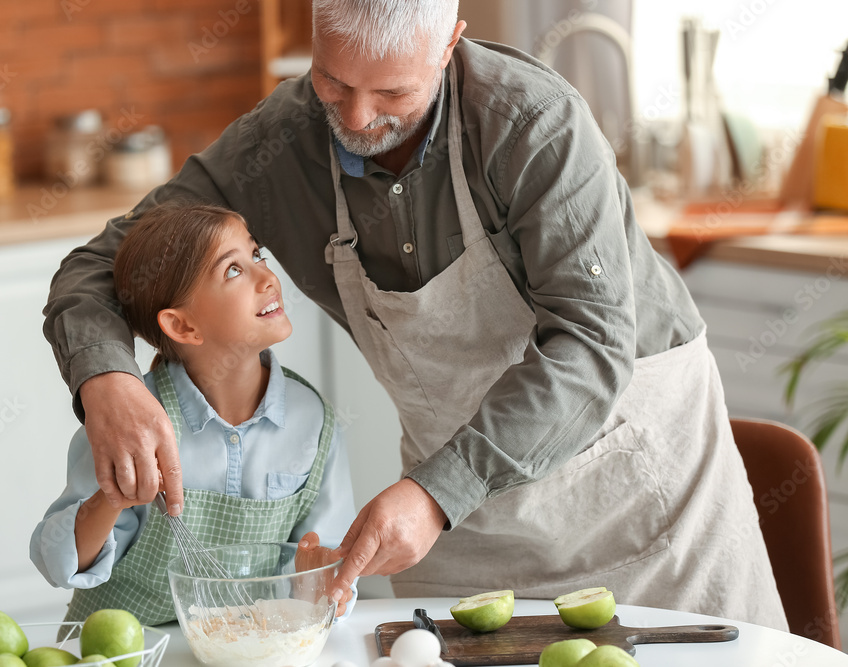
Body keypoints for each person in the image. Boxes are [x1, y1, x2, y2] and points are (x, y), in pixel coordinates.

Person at [42, 0, 788, 629]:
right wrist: (108, 381)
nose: (357, 119)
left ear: (450, 43)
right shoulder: (282, 141)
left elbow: (591, 346)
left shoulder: (535, 127)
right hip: (460, 517)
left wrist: (438, 493)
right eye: (332, 82)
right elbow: (97, 266)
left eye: (392, 94)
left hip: (636, 489)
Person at [31, 202, 356, 624]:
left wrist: (318, 578)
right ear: (183, 327)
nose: (268, 278)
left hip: (240, 649)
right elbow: (57, 562)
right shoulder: (127, 422)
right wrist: (111, 500)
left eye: (256, 255)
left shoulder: (314, 421)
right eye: (233, 270)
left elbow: (317, 570)